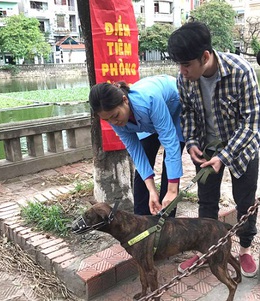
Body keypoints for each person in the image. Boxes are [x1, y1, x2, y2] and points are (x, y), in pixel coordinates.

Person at [167, 21, 260, 277]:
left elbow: (252, 122)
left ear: (205, 56)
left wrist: (225, 156)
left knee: (245, 202)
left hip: (242, 148)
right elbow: (188, 112)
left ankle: (244, 249)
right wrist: (193, 142)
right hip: (207, 147)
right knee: (207, 202)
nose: (182, 71)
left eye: (187, 65)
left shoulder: (241, 71)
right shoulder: (184, 78)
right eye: (180, 65)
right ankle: (204, 251)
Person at [89, 75, 185, 216]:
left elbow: (171, 144)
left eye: (115, 116)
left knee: (170, 170)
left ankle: (167, 222)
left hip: (175, 107)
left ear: (125, 100)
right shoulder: (116, 118)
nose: (113, 122)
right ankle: (141, 221)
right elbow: (136, 153)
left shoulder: (149, 100)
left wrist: (172, 190)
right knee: (143, 164)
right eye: (107, 119)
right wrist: (152, 190)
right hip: (145, 118)